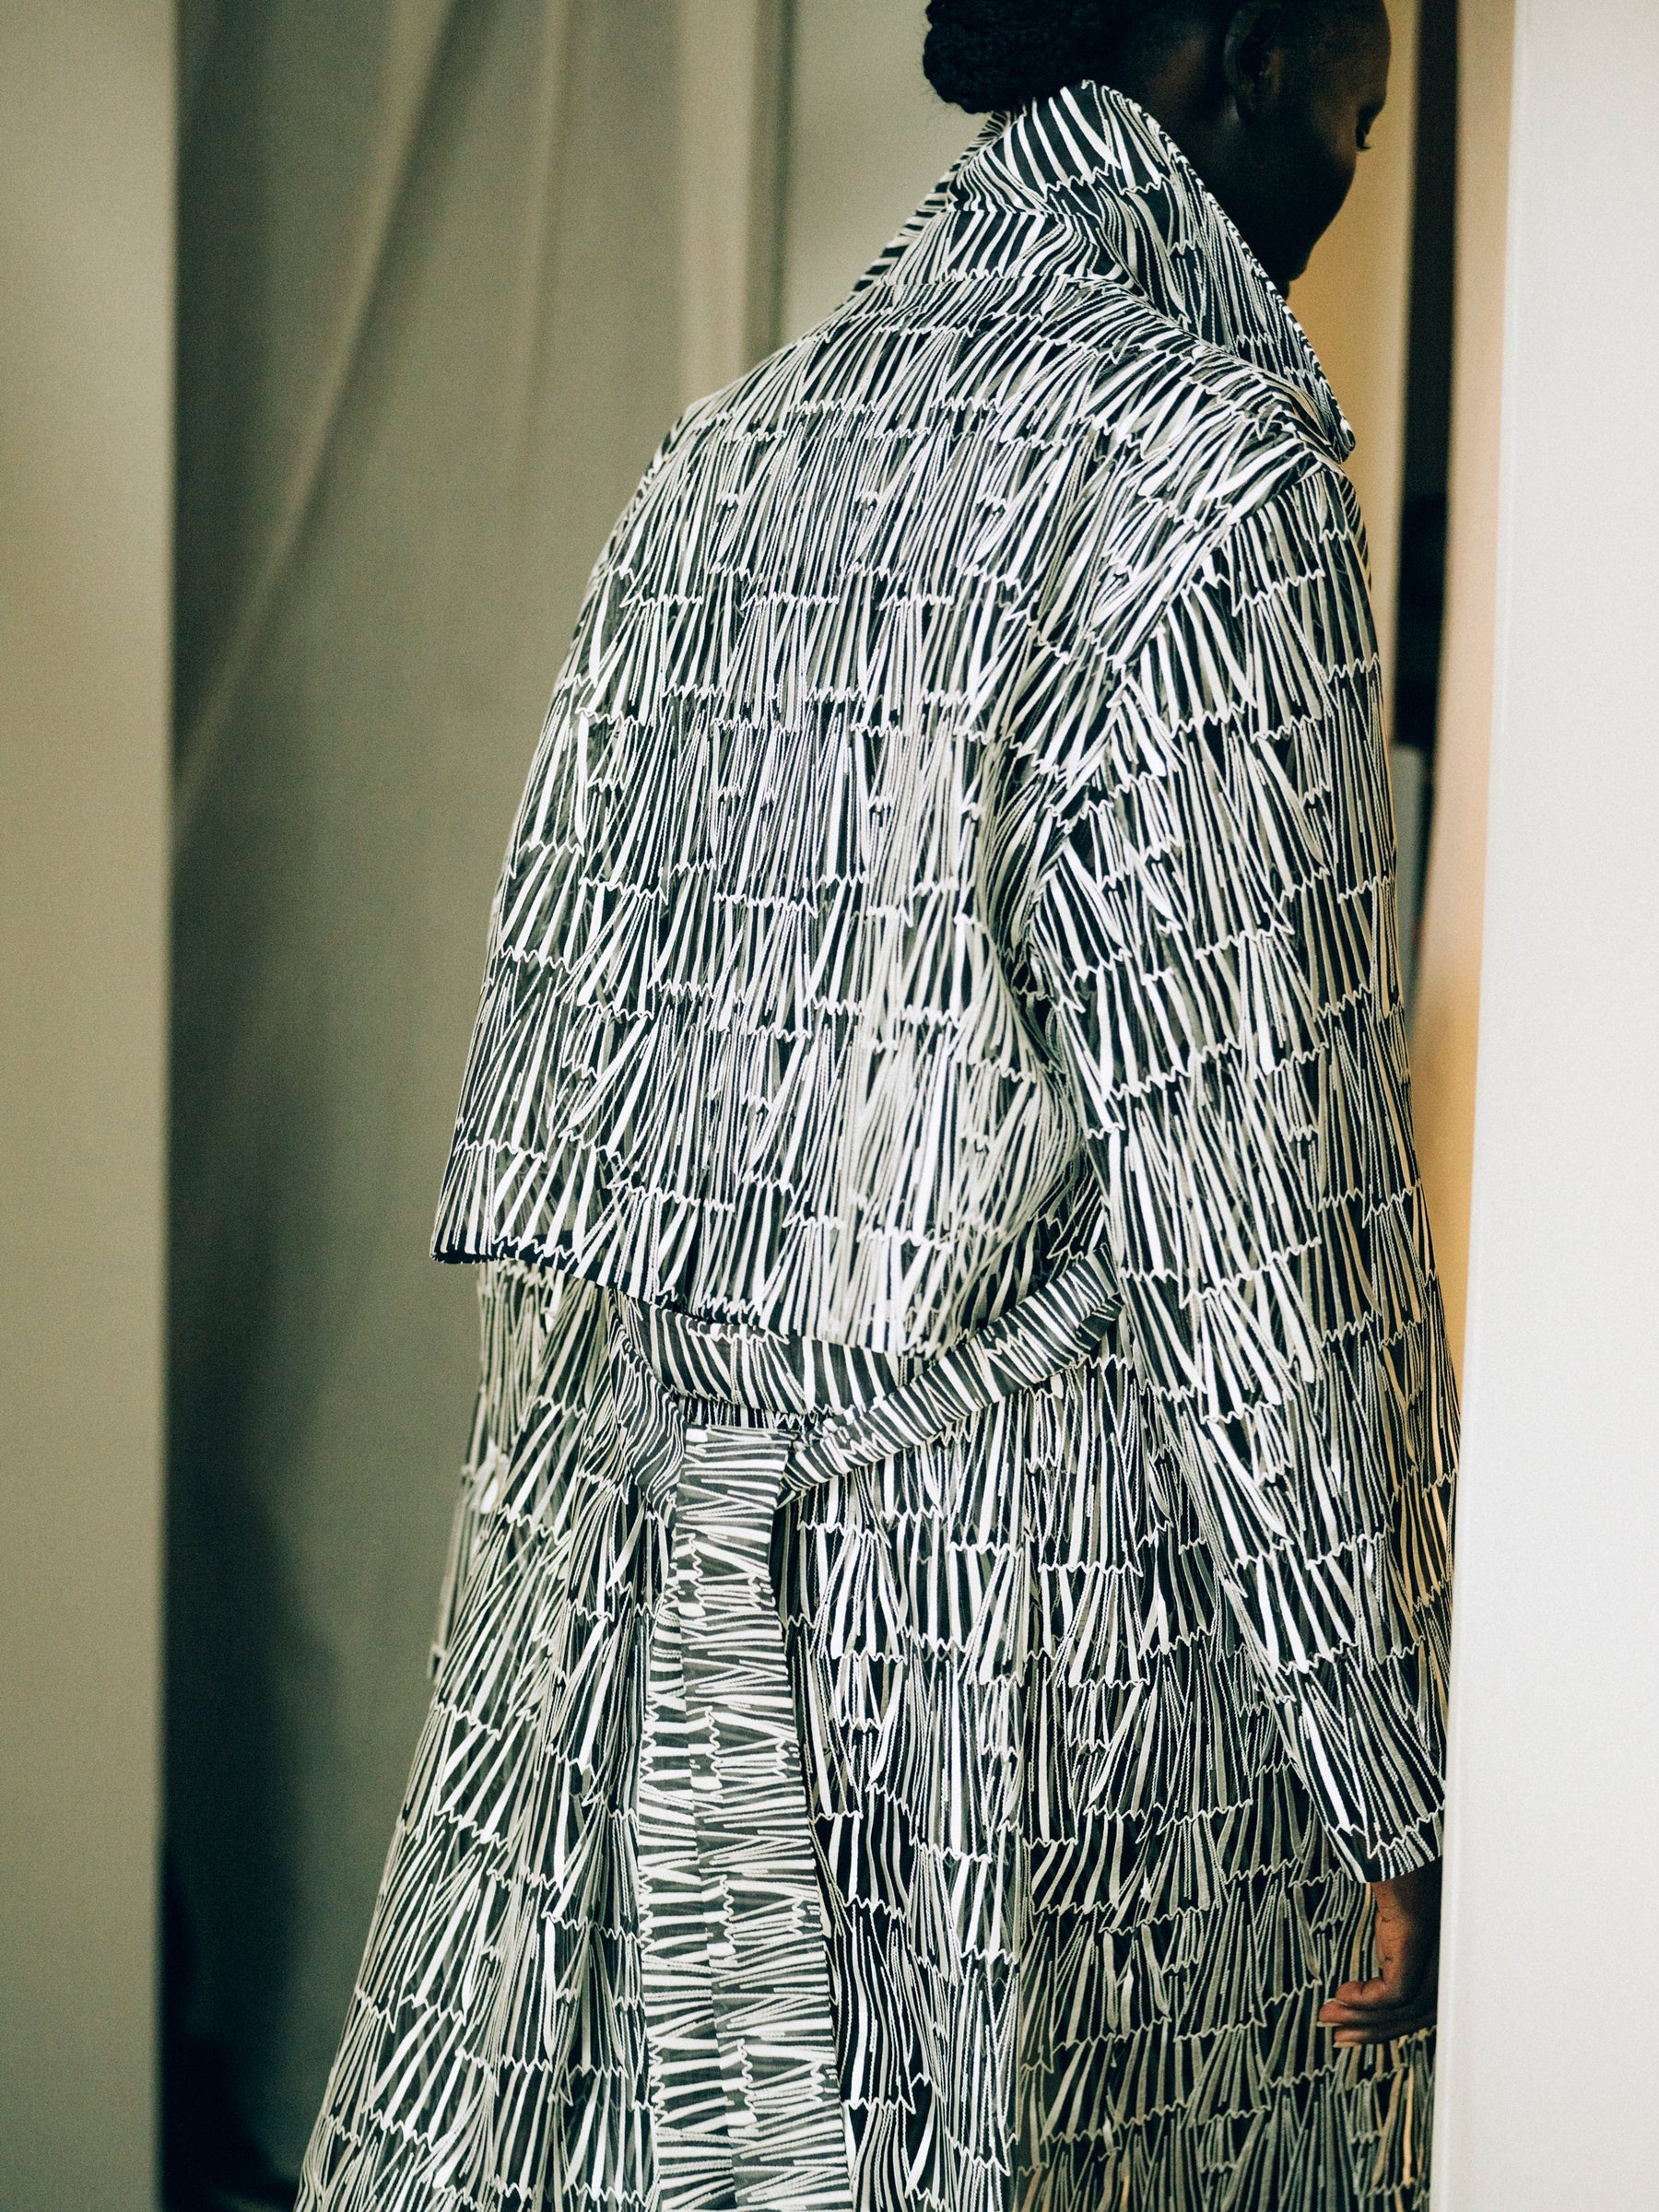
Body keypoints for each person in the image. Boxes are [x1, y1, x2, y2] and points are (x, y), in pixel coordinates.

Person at [298, 0, 1455, 2205]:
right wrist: (1396, 1768)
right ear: (1239, 44)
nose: (1348, 162)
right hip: (1029, 1673)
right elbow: (1266, 1218)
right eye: (1360, 101)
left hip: (655, 1616)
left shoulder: (729, 453)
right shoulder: (1208, 480)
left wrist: (540, 1696)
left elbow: (572, 1142)